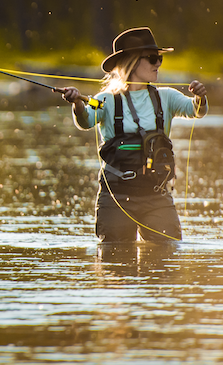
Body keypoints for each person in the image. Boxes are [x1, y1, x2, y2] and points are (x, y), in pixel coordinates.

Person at [59, 27, 208, 243]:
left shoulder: (167, 97)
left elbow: (196, 110)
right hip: (116, 196)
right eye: (152, 58)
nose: (158, 63)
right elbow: (85, 122)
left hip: (157, 196)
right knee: (115, 264)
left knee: (166, 259)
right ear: (132, 62)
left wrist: (201, 98)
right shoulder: (106, 100)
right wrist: (78, 105)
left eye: (159, 59)